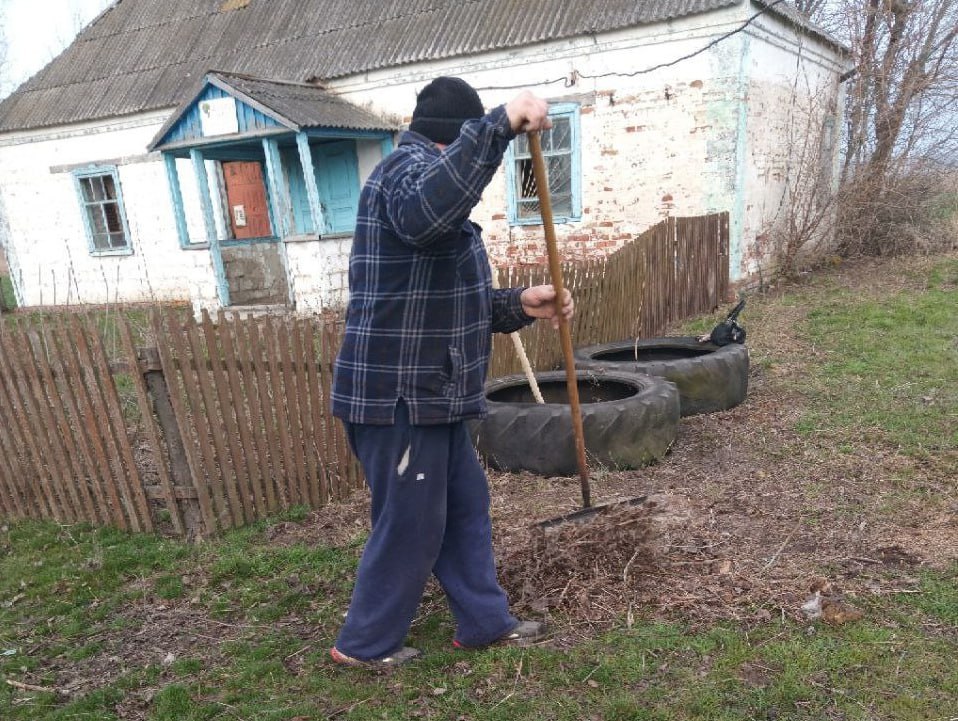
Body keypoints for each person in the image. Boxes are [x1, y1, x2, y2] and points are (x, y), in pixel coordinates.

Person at [330, 76, 573, 667]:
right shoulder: (402, 178)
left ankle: (484, 622)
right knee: (410, 524)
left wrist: (521, 303)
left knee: (465, 508)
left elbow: (454, 302)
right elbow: (427, 210)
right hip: (398, 400)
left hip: (436, 395)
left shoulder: (431, 193)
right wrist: (498, 125)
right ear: (450, 140)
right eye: (467, 144)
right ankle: (365, 645)